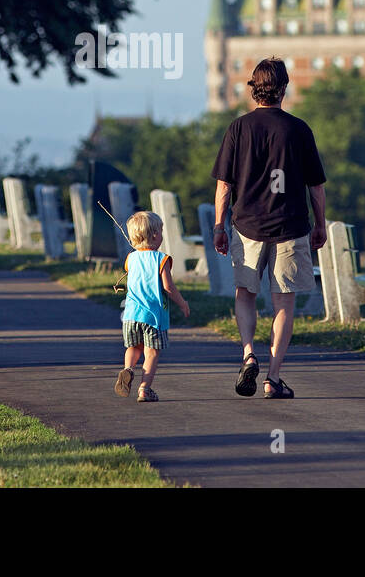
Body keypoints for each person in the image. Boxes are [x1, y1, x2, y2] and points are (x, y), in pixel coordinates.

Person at [211, 58, 327, 399]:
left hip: (247, 225)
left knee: (245, 294)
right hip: (290, 225)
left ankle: (249, 353)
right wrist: (319, 224)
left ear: (253, 88)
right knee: (283, 302)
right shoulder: (299, 129)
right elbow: (315, 187)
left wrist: (220, 226)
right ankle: (273, 378)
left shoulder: (238, 128)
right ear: (284, 89)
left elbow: (223, 186)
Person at [114, 211, 190, 403]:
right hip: (153, 317)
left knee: (133, 347)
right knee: (151, 353)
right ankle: (144, 389)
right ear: (155, 234)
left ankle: (128, 369)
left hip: (130, 315)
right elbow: (168, 287)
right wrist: (182, 303)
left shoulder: (131, 259)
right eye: (161, 232)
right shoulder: (161, 259)